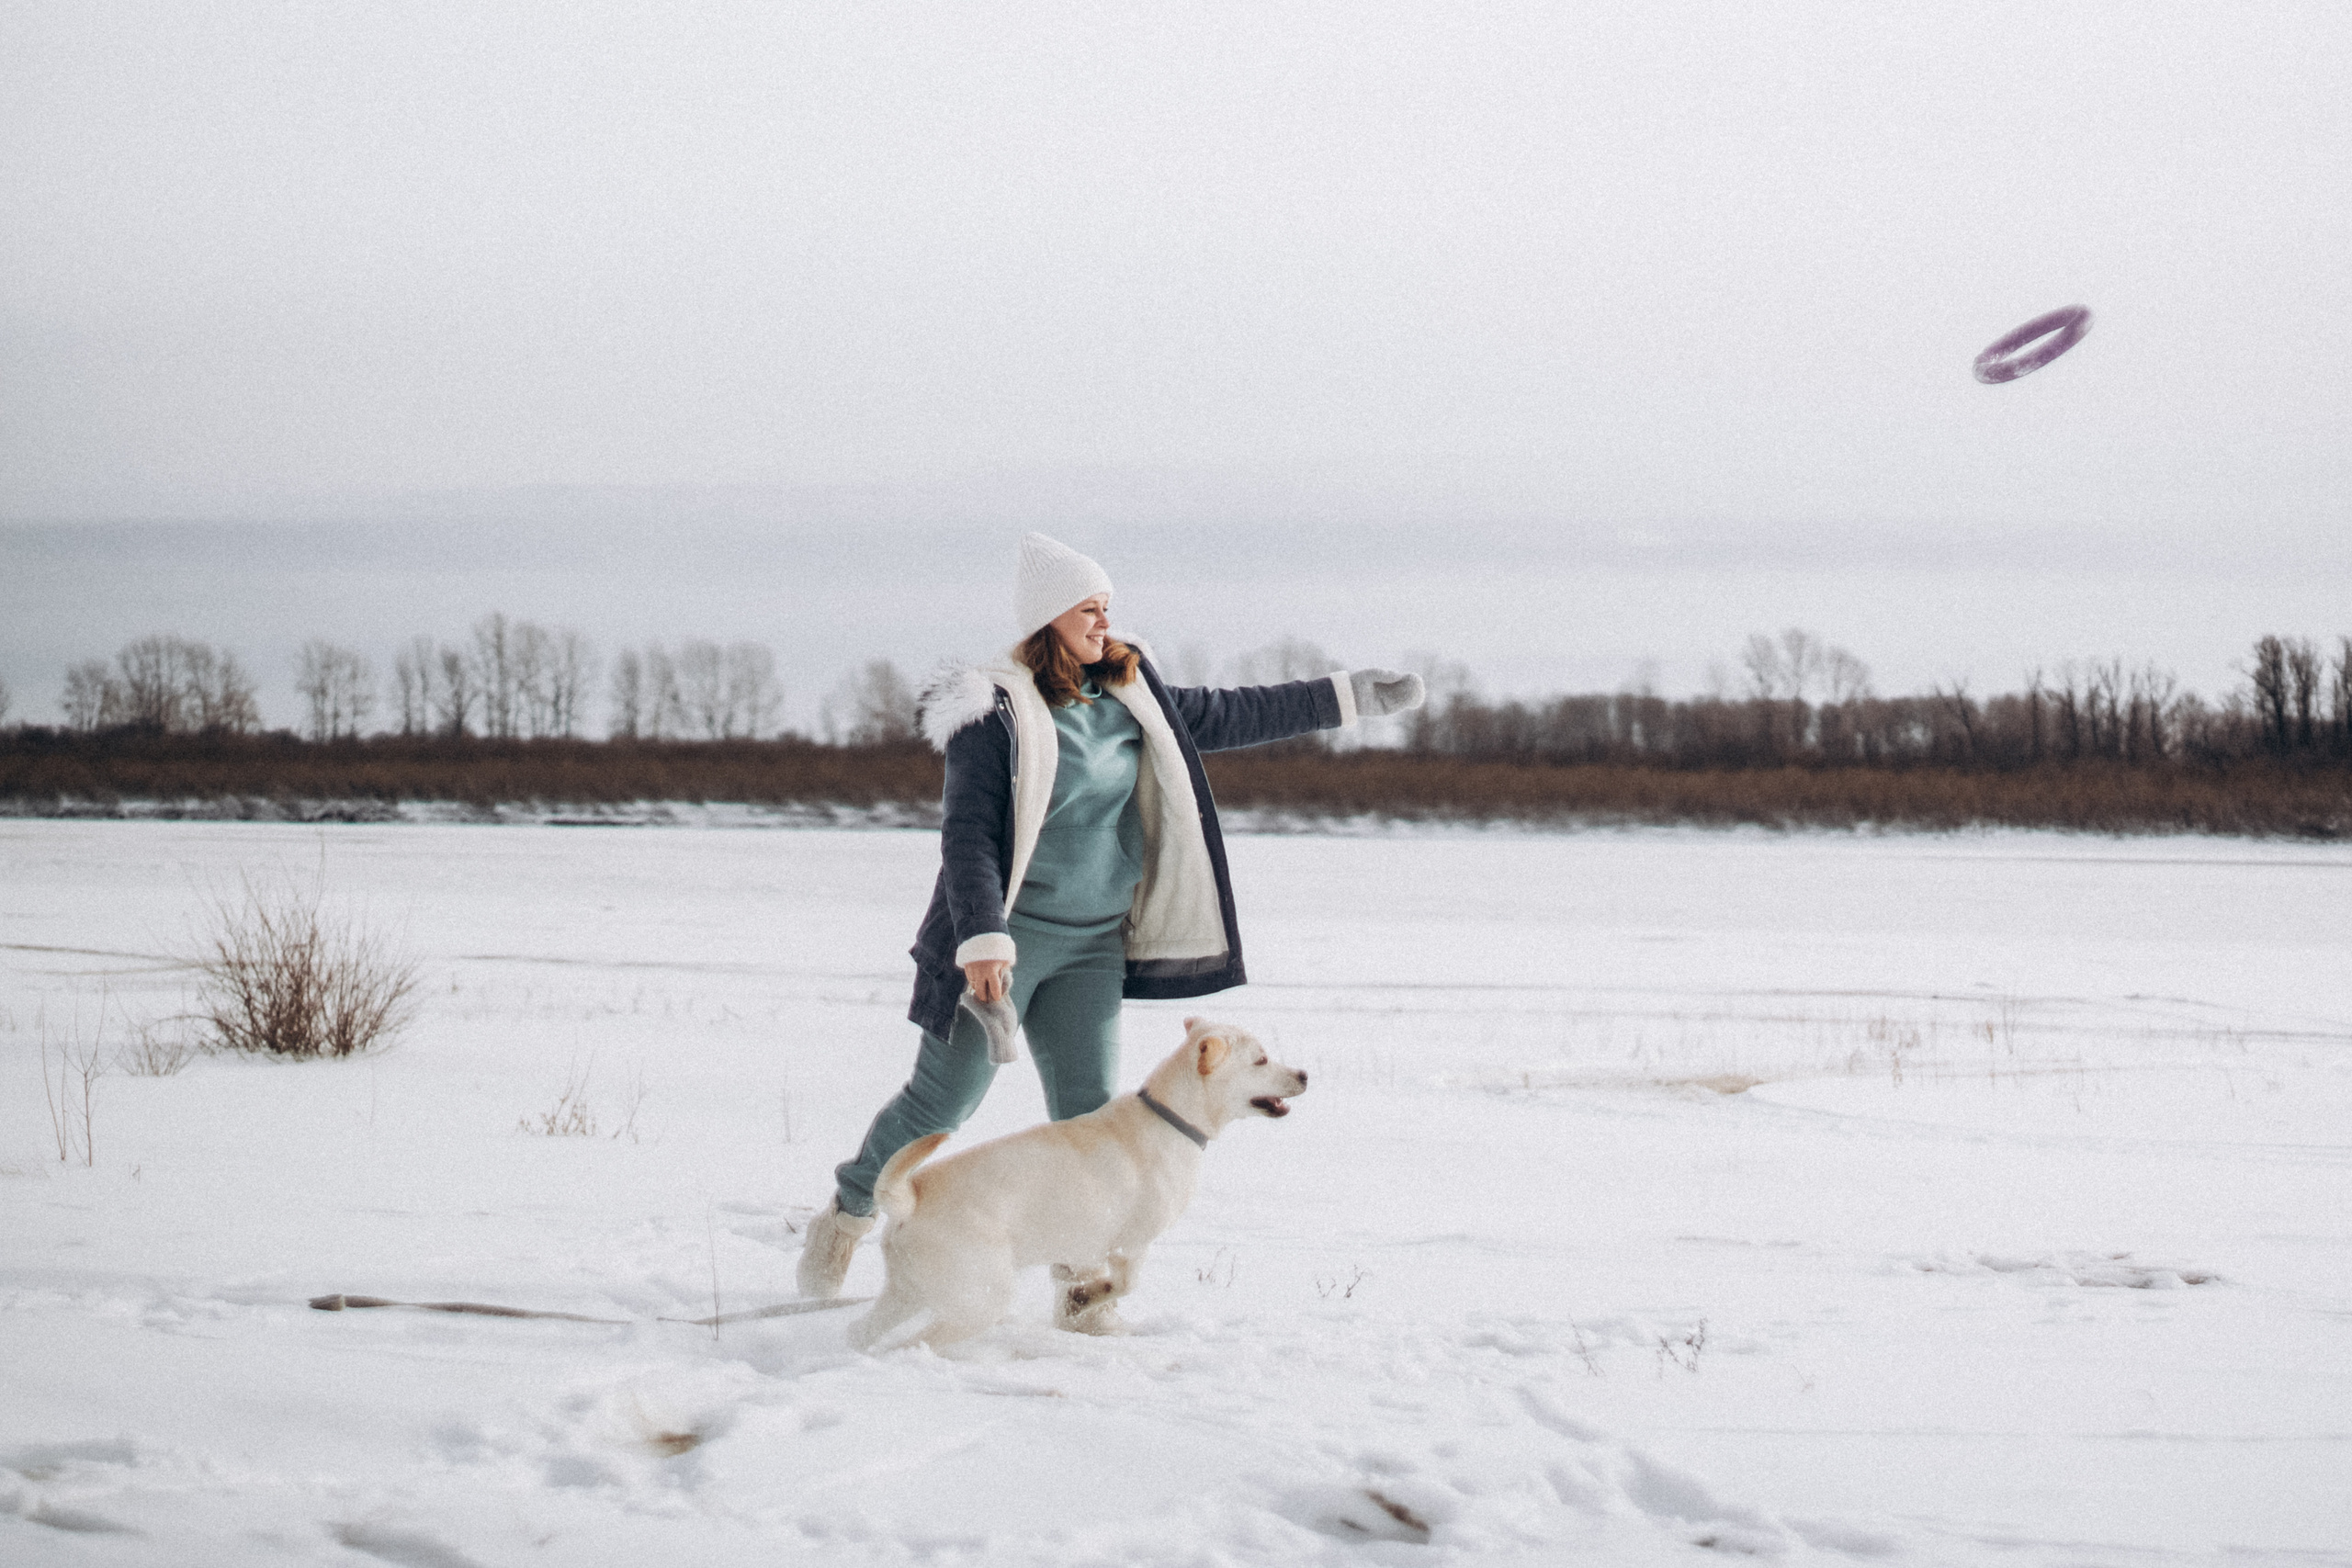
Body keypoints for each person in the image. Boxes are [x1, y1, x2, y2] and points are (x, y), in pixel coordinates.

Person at [797, 532, 1426, 1324]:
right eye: (1088, 609)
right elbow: (967, 837)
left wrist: (1351, 696)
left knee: (1088, 1119)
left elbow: (1235, 712)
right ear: (1046, 619)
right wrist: (984, 942)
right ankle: (847, 1217)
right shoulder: (993, 711)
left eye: (1107, 607)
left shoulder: (1133, 692)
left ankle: (1081, 1293)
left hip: (1095, 941)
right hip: (1005, 940)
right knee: (940, 1103)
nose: (1105, 622)